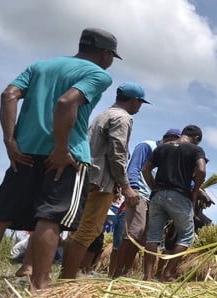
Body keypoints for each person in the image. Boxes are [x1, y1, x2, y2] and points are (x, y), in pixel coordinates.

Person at [0, 28, 118, 292]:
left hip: (24, 153)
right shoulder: (97, 74)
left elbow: (8, 95)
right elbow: (67, 103)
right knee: (51, 217)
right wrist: (61, 148)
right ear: (106, 53)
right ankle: (39, 287)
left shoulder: (40, 66)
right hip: (65, 158)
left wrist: (10, 141)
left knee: (0, 216)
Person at [60, 82, 148, 279]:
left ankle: (67, 272)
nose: (139, 107)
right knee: (88, 229)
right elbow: (117, 153)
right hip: (102, 180)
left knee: (79, 228)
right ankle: (68, 276)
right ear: (134, 101)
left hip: (88, 175)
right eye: (139, 103)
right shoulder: (122, 118)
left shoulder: (103, 115)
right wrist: (125, 186)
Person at [109, 128, 181, 277]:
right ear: (171, 138)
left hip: (153, 199)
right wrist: (132, 188)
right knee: (134, 233)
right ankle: (118, 274)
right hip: (139, 194)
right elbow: (134, 167)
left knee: (143, 238)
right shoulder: (147, 146)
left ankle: (125, 274)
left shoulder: (165, 155)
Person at [141, 124, 207, 281]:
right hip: (179, 196)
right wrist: (195, 191)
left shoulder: (163, 148)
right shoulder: (195, 150)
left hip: (157, 196)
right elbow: (202, 170)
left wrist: (154, 188)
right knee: (186, 236)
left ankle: (147, 277)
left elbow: (145, 169)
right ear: (196, 138)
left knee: (153, 236)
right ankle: (167, 274)